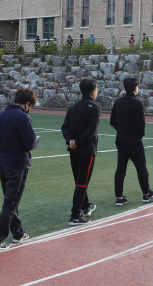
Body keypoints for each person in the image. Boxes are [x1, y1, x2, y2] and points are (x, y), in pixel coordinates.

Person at [0, 88, 38, 252]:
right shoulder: (24, 117)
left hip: (2, 163)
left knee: (10, 200)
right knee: (11, 202)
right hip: (18, 163)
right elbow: (30, 144)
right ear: (27, 104)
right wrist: (36, 141)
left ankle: (18, 232)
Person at [110, 77, 153, 206]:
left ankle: (119, 197)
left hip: (121, 138)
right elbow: (141, 125)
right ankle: (146, 194)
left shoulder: (118, 102)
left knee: (121, 167)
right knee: (141, 167)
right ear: (135, 88)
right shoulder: (138, 104)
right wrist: (139, 136)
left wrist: (121, 130)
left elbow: (112, 121)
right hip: (134, 139)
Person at [61, 79, 101, 225]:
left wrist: (70, 140)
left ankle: (86, 205)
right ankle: (75, 215)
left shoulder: (73, 107)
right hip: (87, 149)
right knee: (82, 183)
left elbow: (65, 126)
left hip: (73, 149)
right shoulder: (95, 108)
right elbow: (92, 129)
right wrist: (77, 141)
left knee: (79, 181)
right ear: (93, 91)